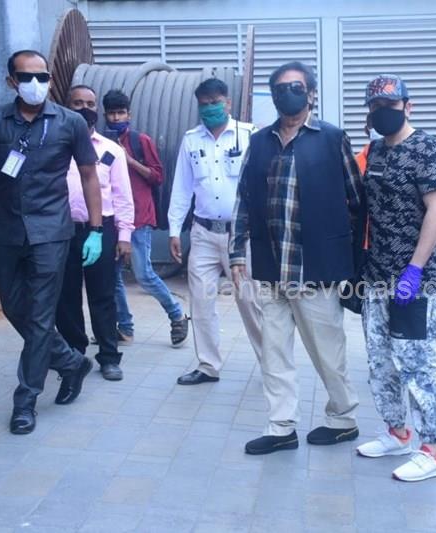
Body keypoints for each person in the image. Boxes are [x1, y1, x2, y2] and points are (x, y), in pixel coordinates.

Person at [0, 50, 102, 434]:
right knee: (14, 308)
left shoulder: (70, 122)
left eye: (43, 77)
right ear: (12, 82)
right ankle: (71, 362)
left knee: (39, 317)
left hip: (51, 233)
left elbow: (89, 175)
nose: (36, 84)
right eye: (26, 77)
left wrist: (96, 230)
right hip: (7, 232)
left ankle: (25, 401)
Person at [230, 61, 361, 455]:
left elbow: (356, 201)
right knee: (274, 354)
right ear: (273, 96)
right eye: (282, 88)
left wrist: (351, 261)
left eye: (297, 87)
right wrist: (237, 253)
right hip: (271, 268)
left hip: (316, 268)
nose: (289, 93)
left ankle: (343, 419)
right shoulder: (260, 142)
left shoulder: (332, 138)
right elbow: (244, 200)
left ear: (311, 94)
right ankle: (281, 427)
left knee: (327, 354)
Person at [354, 75, 436, 482]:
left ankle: (433, 449)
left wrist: (414, 268)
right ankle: (398, 433)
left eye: (391, 106)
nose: (383, 113)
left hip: (416, 279)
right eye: (376, 107)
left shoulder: (426, 149)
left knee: (417, 363)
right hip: (376, 274)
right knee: (381, 360)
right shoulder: (375, 151)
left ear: (408, 107)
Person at [168, 78, 263, 385]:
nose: (210, 108)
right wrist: (174, 229)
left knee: (250, 301)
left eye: (215, 102)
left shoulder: (250, 135)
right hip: (203, 233)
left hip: (241, 236)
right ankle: (208, 365)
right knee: (200, 300)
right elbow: (182, 187)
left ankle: (271, 364)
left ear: (228, 103)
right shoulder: (191, 140)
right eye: (204, 104)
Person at [56, 85, 134, 381]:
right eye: (77, 103)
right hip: (62, 231)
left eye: (89, 104)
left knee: (103, 295)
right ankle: (74, 355)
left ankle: (109, 357)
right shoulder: (53, 146)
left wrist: (124, 236)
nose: (84, 109)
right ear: (67, 106)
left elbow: (123, 196)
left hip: (101, 230)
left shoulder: (111, 151)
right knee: (66, 296)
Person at [103, 89, 189, 348]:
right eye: (112, 113)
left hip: (139, 217)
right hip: (112, 218)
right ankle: (125, 328)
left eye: (121, 113)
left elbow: (157, 176)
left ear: (129, 114)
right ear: (105, 115)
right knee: (112, 277)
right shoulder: (101, 142)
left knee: (143, 274)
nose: (116, 118)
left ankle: (177, 314)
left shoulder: (141, 141)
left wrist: (128, 160)